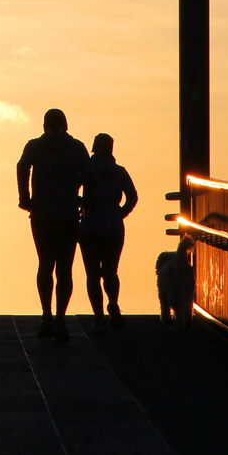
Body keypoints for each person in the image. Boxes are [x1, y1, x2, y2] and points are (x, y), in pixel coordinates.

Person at [17, 108, 91, 341]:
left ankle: (46, 315)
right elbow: (91, 177)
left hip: (42, 214)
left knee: (45, 264)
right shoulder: (77, 148)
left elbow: (21, 167)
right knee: (65, 269)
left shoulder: (35, 146)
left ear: (44, 125)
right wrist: (84, 198)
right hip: (68, 215)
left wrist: (25, 198)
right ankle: (60, 318)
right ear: (66, 125)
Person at [78, 133, 138, 331]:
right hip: (113, 226)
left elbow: (71, 189)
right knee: (111, 271)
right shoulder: (119, 171)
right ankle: (113, 301)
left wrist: (80, 204)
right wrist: (121, 212)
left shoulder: (86, 169)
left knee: (92, 275)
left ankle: (99, 318)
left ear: (94, 147)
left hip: (90, 224)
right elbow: (132, 196)